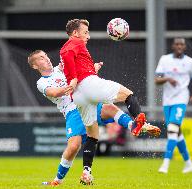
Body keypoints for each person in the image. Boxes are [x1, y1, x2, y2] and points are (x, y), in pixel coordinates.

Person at [27, 50, 160, 186]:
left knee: (109, 108)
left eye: (46, 56)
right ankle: (57, 181)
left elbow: (78, 73)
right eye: (41, 58)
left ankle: (134, 126)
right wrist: (71, 85)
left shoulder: (60, 68)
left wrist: (91, 71)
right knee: (73, 146)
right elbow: (54, 92)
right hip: (72, 111)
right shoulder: (41, 82)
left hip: (85, 101)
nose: (47, 59)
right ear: (35, 66)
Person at [59, 19, 156, 184]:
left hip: (79, 96)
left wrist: (90, 70)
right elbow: (68, 56)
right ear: (75, 33)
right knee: (127, 94)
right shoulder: (74, 43)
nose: (88, 36)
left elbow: (73, 62)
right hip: (87, 84)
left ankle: (86, 172)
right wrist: (73, 78)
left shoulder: (72, 47)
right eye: (85, 32)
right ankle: (140, 120)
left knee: (92, 134)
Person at [155, 37, 192, 174]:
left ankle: (165, 164)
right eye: (177, 44)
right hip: (167, 100)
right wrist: (168, 78)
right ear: (173, 46)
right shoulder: (165, 60)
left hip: (181, 98)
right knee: (176, 132)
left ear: (185, 47)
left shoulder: (190, 62)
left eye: (182, 44)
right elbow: (156, 80)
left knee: (172, 129)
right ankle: (189, 163)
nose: (179, 46)